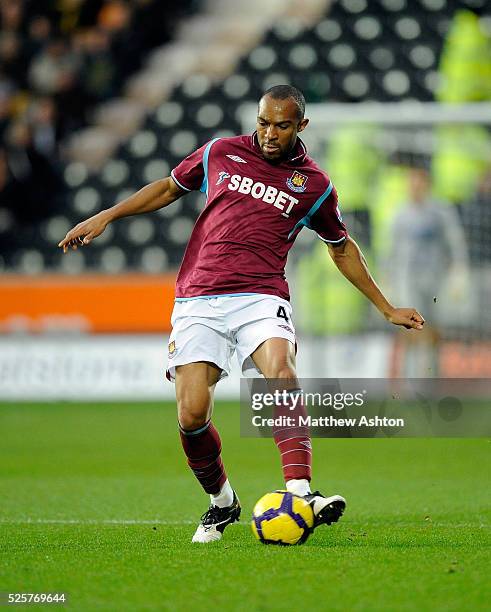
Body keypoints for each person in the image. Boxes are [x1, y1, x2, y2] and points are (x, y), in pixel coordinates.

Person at [59, 85, 424, 543]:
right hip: (198, 299)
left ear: (301, 126)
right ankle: (222, 503)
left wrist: (385, 306)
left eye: (282, 125)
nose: (270, 134)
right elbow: (169, 188)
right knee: (192, 415)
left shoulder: (313, 185)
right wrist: (107, 216)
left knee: (281, 371)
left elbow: (341, 247)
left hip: (260, 296)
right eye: (264, 122)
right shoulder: (220, 152)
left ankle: (301, 491)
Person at [389, 165, 467, 377]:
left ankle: (432, 373)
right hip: (407, 279)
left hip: (434, 278)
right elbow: (392, 250)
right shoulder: (400, 214)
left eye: (419, 182)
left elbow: (455, 243)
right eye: (411, 182)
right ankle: (409, 374)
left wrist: (458, 272)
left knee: (433, 326)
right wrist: (388, 278)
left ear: (427, 184)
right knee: (409, 325)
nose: (414, 187)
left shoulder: (441, 211)